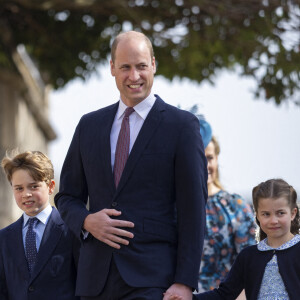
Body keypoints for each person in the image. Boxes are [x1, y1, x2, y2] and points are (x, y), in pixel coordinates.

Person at [54, 31, 208, 300]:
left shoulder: (181, 126)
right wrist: (87, 220)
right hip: (94, 282)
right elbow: (67, 196)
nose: (134, 76)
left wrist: (185, 281)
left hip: (153, 281)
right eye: (125, 67)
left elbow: (193, 210)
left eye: (141, 66)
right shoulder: (88, 126)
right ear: (112, 68)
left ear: (154, 65)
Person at [168, 178, 300, 300]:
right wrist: (190, 298)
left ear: (293, 213)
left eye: (280, 213)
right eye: (266, 214)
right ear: (257, 216)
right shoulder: (248, 256)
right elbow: (225, 294)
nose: (273, 220)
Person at [0, 150, 79, 300]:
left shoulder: (71, 230)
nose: (26, 194)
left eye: (33, 186)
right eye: (19, 188)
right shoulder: (3, 238)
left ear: (50, 187)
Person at [197, 119, 256, 294]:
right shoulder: (171, 206)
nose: (205, 165)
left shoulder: (235, 206)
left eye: (209, 158)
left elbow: (249, 267)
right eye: (198, 157)